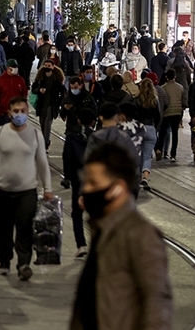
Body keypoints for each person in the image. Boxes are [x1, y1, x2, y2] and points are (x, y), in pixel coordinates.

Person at [71, 143, 172, 330]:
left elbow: (157, 302)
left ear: (117, 188)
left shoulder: (141, 235)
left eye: (93, 183)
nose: (86, 190)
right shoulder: (103, 227)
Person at [0, 97, 52, 280]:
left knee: (24, 226)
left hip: (27, 190)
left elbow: (43, 163)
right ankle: (4, 261)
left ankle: (23, 264)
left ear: (27, 112)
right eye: (16, 111)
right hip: (2, 190)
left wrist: (48, 188)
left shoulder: (36, 135)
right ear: (9, 113)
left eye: (23, 111)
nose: (19, 114)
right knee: (2, 228)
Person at [63, 107, 97, 258]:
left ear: (78, 120)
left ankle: (81, 244)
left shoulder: (71, 136)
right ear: (93, 122)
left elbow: (67, 157)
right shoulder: (97, 137)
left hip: (78, 178)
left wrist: (68, 176)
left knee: (77, 212)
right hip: (95, 180)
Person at [31, 60, 66, 149]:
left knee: (47, 124)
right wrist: (39, 90)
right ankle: (45, 140)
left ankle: (45, 144)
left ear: (53, 67)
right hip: (41, 104)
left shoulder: (57, 78)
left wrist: (61, 102)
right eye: (45, 65)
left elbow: (62, 91)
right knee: (42, 123)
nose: (47, 67)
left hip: (52, 104)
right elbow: (33, 89)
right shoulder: (40, 77)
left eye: (49, 65)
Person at [154, 69, 186, 163]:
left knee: (163, 133)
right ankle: (173, 154)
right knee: (175, 134)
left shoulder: (163, 88)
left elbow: (163, 101)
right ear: (175, 76)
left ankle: (159, 149)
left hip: (167, 113)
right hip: (177, 112)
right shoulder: (180, 87)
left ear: (166, 77)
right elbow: (183, 100)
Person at [135, 79, 161, 189]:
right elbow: (158, 117)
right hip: (151, 129)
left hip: (139, 129)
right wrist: (155, 128)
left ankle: (138, 177)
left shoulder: (136, 100)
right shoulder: (155, 100)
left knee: (138, 155)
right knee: (147, 156)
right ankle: (145, 176)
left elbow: (134, 115)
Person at [0, 59, 28, 126]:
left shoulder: (20, 80)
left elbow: (24, 94)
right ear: (8, 68)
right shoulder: (0, 80)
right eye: (13, 67)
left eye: (16, 67)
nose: (15, 69)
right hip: (4, 113)